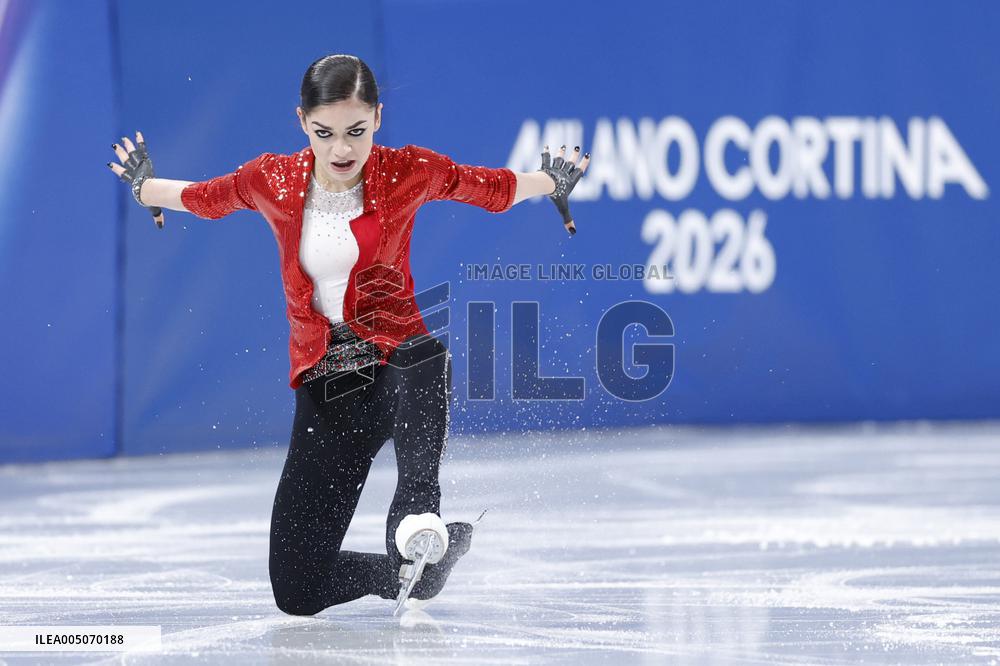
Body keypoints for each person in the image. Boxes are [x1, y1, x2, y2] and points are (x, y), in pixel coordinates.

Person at [107, 54, 589, 615]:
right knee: (297, 591)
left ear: (378, 119)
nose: (341, 149)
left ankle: (418, 514)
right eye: (325, 133)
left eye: (356, 131)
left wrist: (550, 180)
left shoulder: (406, 170)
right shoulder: (274, 179)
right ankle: (418, 572)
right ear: (302, 123)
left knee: (425, 355)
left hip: (400, 366)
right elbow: (208, 197)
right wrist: (146, 191)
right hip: (329, 387)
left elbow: (484, 187)